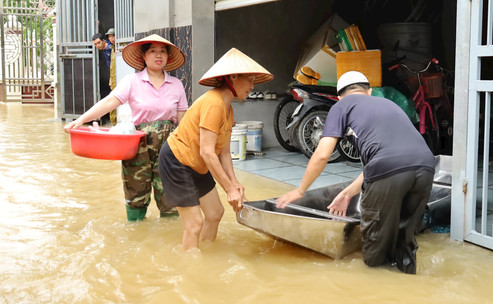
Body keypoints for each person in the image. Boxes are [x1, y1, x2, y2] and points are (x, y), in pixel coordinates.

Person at [276, 71, 435, 274]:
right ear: (368, 92)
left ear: (340, 96)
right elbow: (381, 162)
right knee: (405, 240)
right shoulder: (390, 105)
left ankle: (374, 286)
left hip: (389, 169)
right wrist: (346, 194)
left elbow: (323, 155)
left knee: (376, 240)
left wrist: (300, 190)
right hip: (426, 166)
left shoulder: (341, 106)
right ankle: (408, 283)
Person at [64, 34, 189, 221]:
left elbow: (184, 121)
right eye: (153, 51)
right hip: (138, 147)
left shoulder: (176, 85)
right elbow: (109, 103)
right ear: (143, 57)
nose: (158, 55)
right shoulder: (132, 81)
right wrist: (81, 120)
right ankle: (136, 234)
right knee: (136, 193)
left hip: (168, 149)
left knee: (170, 195)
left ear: (168, 57)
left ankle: (169, 236)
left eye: (163, 51)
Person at [159, 48, 273, 250]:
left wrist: (235, 184)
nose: (252, 86)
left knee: (215, 213)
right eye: (250, 80)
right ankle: (189, 268)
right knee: (194, 224)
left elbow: (224, 153)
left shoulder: (227, 108)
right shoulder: (214, 103)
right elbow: (207, 152)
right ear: (234, 76)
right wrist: (228, 189)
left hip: (198, 164)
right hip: (177, 161)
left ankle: (205, 254)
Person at [92, 33, 113, 105]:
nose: (97, 45)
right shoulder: (104, 47)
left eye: (99, 43)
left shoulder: (110, 48)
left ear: (103, 41)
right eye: (95, 44)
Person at [105, 28, 117, 124]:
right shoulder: (112, 49)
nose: (111, 38)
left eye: (113, 36)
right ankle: (114, 123)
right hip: (113, 80)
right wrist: (110, 81)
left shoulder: (119, 48)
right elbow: (112, 67)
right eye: (109, 37)